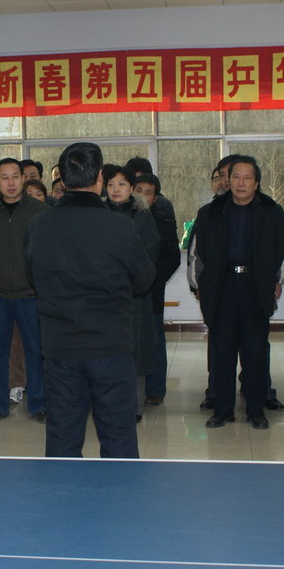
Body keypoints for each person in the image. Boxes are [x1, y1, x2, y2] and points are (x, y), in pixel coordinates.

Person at [25, 142, 155, 457]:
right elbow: (144, 279)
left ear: (62, 179)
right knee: (118, 436)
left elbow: (33, 277)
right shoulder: (120, 226)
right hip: (110, 346)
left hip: (60, 346)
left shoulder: (39, 225)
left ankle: (63, 490)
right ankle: (119, 489)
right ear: (99, 178)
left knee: (63, 435)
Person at [190, 155, 284, 430]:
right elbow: (198, 254)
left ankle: (256, 410)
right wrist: (200, 286)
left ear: (256, 183)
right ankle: (222, 410)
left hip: (255, 288)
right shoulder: (209, 212)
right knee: (222, 352)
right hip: (222, 288)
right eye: (235, 177)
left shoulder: (271, 211)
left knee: (256, 352)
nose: (240, 182)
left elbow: (283, 250)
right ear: (228, 180)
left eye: (247, 177)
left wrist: (276, 281)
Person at [0, 158, 49, 423]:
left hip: (30, 294)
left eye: (15, 176)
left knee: (35, 352)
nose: (10, 183)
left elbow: (46, 252)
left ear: (23, 178)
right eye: (4, 178)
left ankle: (39, 404)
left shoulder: (40, 211)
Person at [104, 165, 159, 421]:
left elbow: (150, 254)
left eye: (122, 184)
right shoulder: (98, 214)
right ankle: (106, 405)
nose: (116, 189)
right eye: (111, 184)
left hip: (135, 294)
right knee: (105, 353)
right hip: (103, 295)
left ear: (132, 188)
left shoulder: (143, 216)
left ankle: (135, 407)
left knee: (135, 351)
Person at [134, 172, 181, 406]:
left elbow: (172, 258)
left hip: (151, 290)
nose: (143, 196)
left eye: (148, 193)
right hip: (125, 292)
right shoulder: (120, 216)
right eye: (139, 191)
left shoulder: (163, 220)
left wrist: (150, 278)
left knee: (154, 339)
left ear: (155, 197)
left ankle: (155, 389)